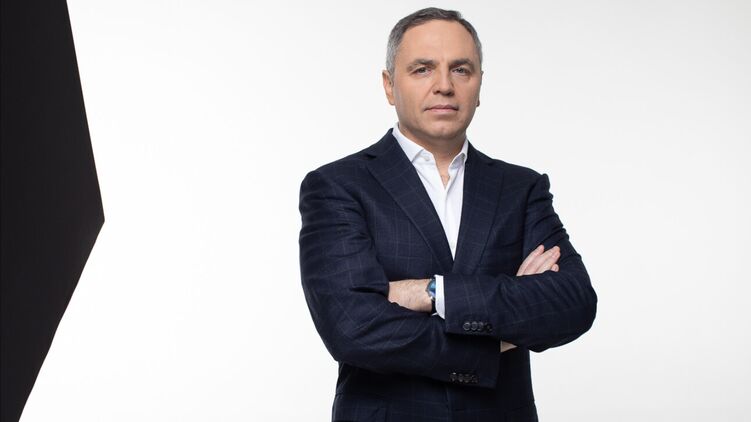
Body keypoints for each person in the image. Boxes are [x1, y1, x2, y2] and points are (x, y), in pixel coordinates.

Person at [298, 7, 597, 422]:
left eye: (461, 69)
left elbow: (572, 303)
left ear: (479, 84)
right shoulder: (338, 186)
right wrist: (496, 335)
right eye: (422, 69)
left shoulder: (521, 188)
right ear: (389, 85)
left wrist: (434, 293)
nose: (444, 85)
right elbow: (352, 329)